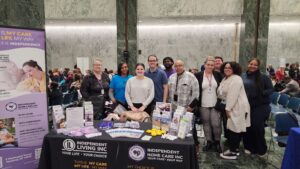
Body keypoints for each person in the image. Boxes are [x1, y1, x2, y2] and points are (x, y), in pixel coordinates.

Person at [218, 62, 250, 160]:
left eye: (230, 68)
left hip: (237, 107)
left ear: (234, 69)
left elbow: (233, 95)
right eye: (226, 67)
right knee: (233, 128)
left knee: (235, 129)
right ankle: (234, 149)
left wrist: (228, 109)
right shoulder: (225, 78)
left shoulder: (236, 79)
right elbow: (221, 92)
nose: (227, 69)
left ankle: (233, 152)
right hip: (231, 105)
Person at [242, 58, 274, 156]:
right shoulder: (243, 76)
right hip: (247, 105)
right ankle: (249, 147)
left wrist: (261, 93)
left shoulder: (264, 77)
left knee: (257, 126)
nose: (253, 66)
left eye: (255, 65)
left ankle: (260, 148)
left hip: (261, 106)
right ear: (248, 64)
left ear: (258, 66)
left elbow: (271, 89)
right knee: (247, 126)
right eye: (251, 64)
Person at [194, 56, 223, 152]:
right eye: (208, 64)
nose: (210, 66)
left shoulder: (218, 75)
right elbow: (195, 90)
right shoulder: (198, 75)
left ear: (214, 66)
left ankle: (217, 142)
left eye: (212, 65)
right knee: (206, 124)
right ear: (204, 64)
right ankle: (209, 142)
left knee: (216, 124)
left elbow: (222, 88)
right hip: (203, 104)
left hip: (215, 104)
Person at [168, 60, 200, 149]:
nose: (178, 67)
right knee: (176, 128)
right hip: (174, 109)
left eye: (180, 65)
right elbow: (169, 94)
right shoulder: (171, 77)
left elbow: (196, 94)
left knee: (190, 129)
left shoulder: (191, 77)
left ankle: (195, 146)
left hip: (186, 109)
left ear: (184, 66)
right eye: (176, 66)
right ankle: (178, 146)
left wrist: (191, 107)